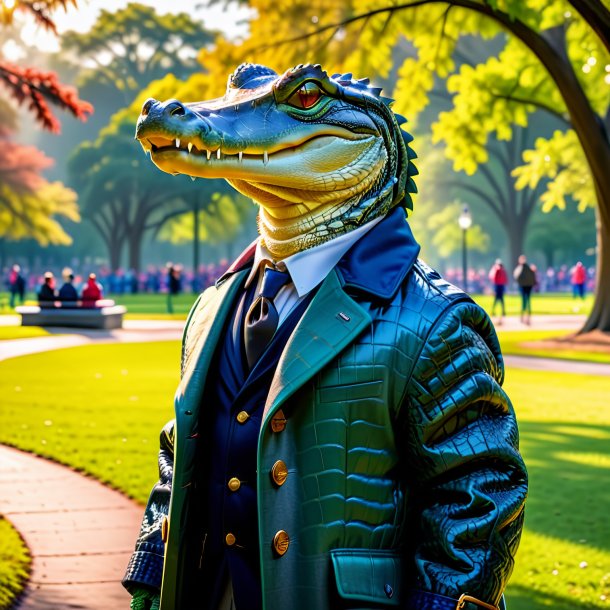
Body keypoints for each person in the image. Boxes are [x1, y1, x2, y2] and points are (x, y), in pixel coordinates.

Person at [125, 64, 527, 610]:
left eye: (305, 97)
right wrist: (151, 576)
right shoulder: (211, 307)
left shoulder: (438, 320)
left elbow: (478, 494)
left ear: (377, 144)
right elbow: (181, 452)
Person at [513, 255, 536, 324]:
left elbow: (516, 276)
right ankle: (528, 315)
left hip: (523, 286)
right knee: (528, 301)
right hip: (529, 286)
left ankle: (523, 316)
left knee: (524, 301)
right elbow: (533, 277)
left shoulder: (520, 268)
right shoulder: (529, 268)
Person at [488, 258, 508, 323]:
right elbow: (505, 279)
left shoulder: (496, 269)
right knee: (500, 299)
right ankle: (502, 311)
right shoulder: (501, 270)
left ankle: (495, 311)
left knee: (497, 300)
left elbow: (492, 277)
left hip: (498, 286)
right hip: (500, 286)